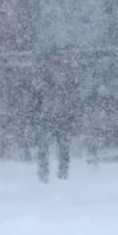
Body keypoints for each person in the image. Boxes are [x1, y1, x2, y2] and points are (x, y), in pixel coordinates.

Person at [32, 51, 79, 183]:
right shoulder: (41, 79)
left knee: (63, 147)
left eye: (58, 62)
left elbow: (74, 97)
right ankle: (43, 176)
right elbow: (36, 98)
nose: (55, 65)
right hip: (46, 118)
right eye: (53, 62)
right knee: (43, 147)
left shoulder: (68, 79)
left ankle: (63, 175)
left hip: (63, 117)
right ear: (47, 64)